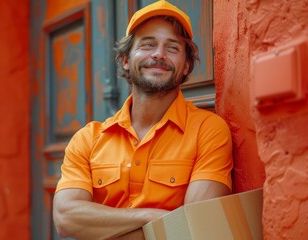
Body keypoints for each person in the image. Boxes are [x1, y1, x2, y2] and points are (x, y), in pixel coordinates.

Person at [53, 1, 233, 239]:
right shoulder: (87, 139)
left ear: (187, 64)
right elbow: (66, 218)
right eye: (148, 44)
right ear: (126, 59)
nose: (158, 54)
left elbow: (192, 229)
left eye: (172, 48)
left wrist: (101, 227)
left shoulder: (208, 131)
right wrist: (153, 218)